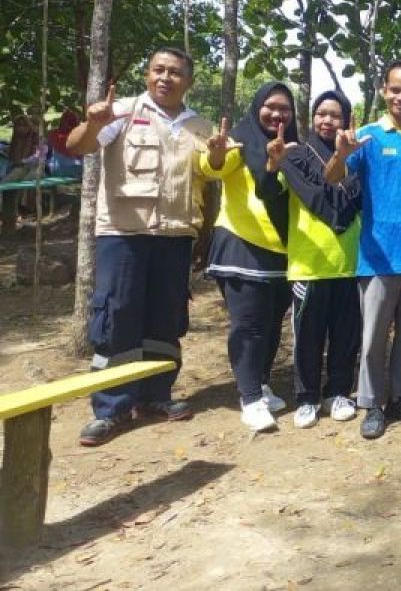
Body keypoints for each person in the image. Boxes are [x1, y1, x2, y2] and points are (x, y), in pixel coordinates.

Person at [66, 48, 220, 446]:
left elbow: (213, 172)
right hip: (123, 233)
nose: (165, 78)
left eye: (174, 72)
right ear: (148, 74)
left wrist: (218, 156)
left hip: (175, 236)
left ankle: (156, 396)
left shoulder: (199, 126)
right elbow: (78, 146)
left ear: (189, 81)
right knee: (117, 315)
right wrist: (92, 122)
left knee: (165, 318)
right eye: (158, 70)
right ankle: (111, 408)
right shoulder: (121, 112)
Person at [325, 59, 401, 440]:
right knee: (374, 336)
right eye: (395, 89)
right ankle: (372, 404)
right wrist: (341, 154)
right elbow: (333, 178)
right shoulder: (368, 136)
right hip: (378, 256)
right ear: (383, 90)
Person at [257, 90, 363, 429]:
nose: (328, 120)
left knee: (346, 334)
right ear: (311, 118)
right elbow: (275, 194)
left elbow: (358, 199)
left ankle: (339, 393)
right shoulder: (295, 155)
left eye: (335, 115)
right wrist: (272, 167)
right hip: (309, 262)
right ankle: (307, 397)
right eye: (322, 114)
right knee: (308, 336)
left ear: (346, 120)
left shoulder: (358, 158)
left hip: (350, 261)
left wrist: (347, 157)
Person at [203, 82, 298, 432]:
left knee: (272, 324)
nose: (277, 114)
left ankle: (261, 383)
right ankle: (249, 398)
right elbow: (213, 167)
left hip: (283, 250)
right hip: (241, 245)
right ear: (257, 106)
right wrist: (215, 153)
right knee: (248, 326)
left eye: (285, 109)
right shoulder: (239, 140)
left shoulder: (291, 145)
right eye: (270, 106)